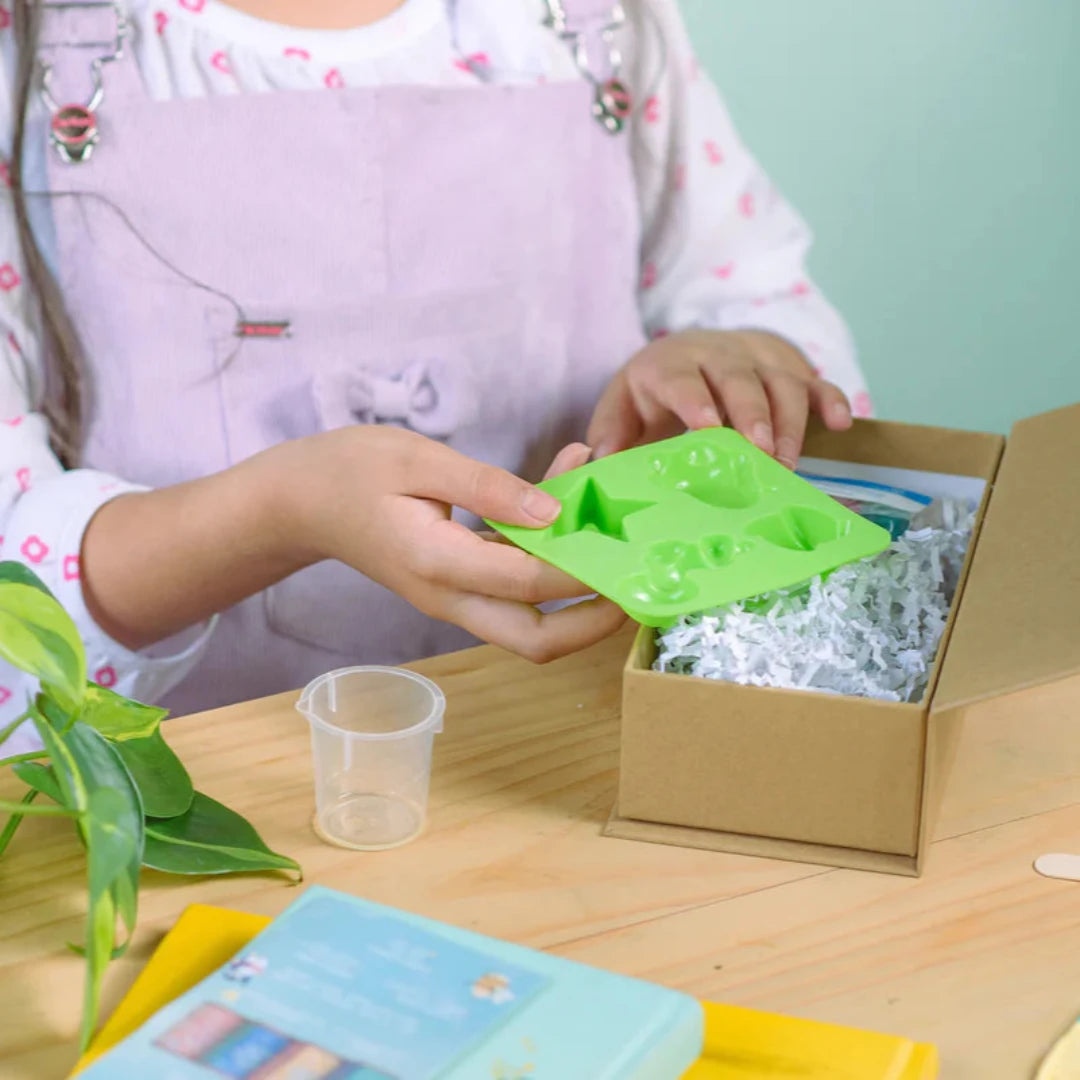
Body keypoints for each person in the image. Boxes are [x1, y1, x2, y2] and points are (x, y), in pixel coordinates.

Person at [0, 0, 870, 735]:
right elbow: (14, 596)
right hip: (207, 796)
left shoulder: (590, 22)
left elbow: (749, 294)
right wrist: (281, 513)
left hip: (596, 760)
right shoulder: (30, 51)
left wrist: (727, 368)